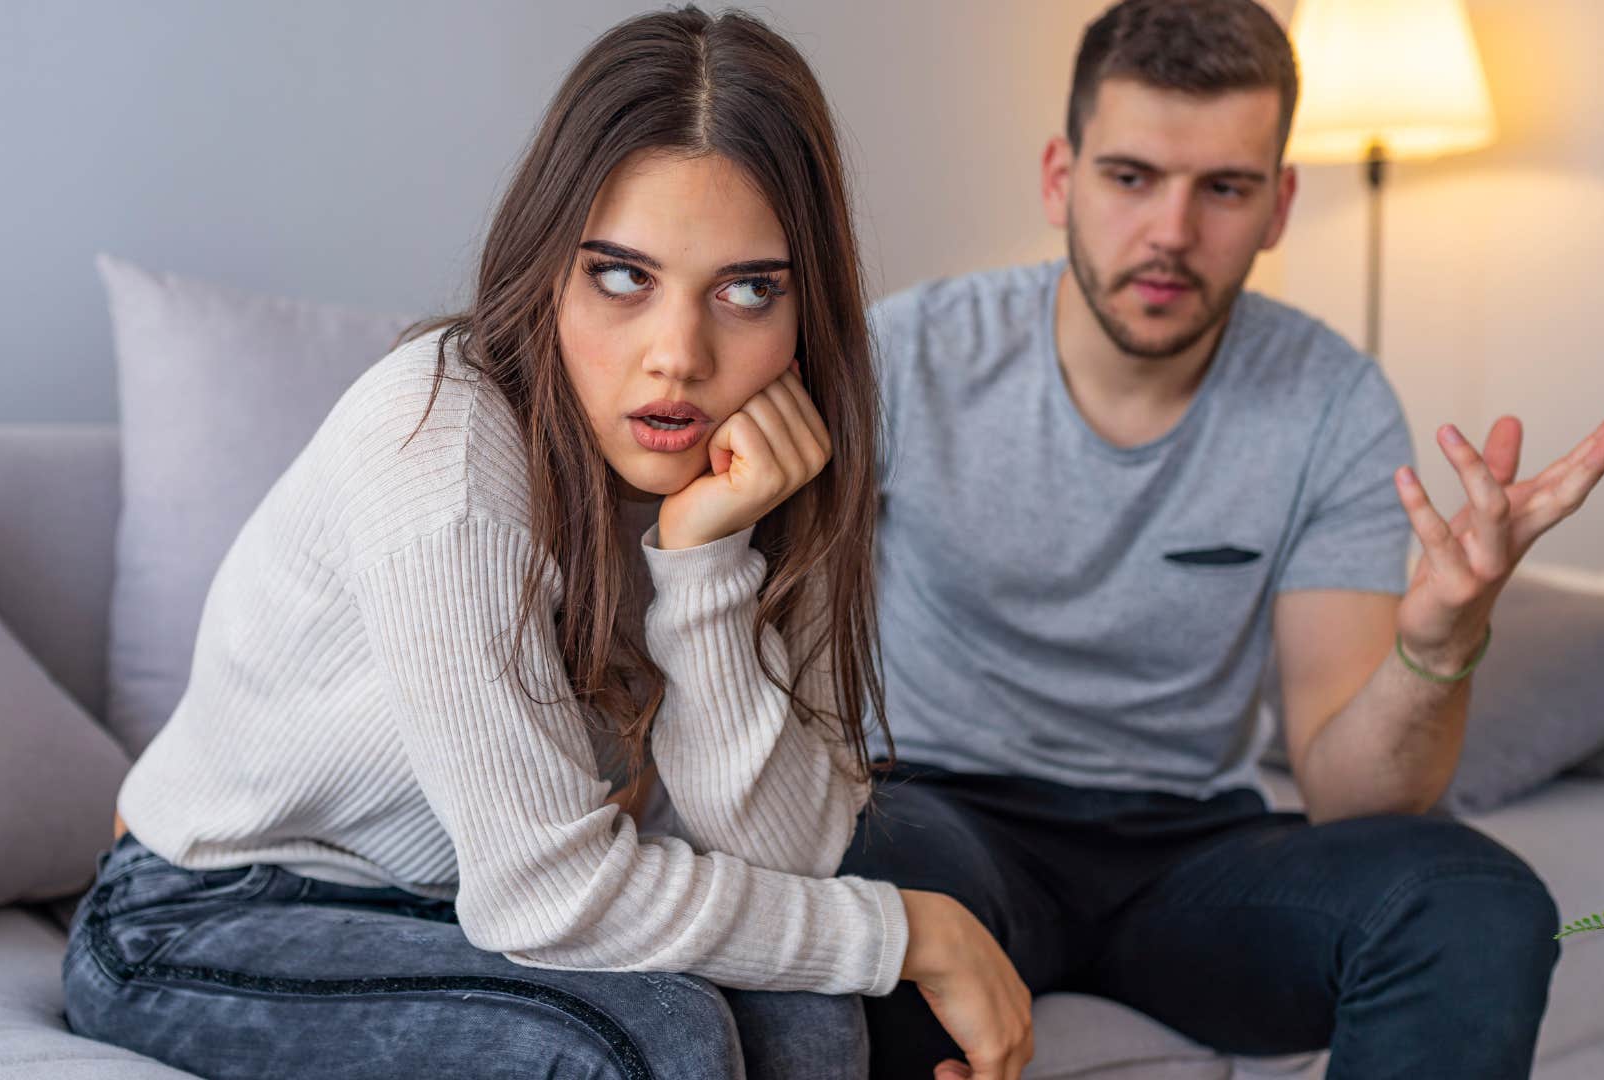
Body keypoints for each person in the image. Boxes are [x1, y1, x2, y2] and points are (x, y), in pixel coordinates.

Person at [62, 8, 1028, 1078]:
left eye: (749, 289)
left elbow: (786, 857)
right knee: (652, 1041)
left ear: (807, 312)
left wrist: (706, 562)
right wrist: (907, 930)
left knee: (810, 1023)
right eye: (623, 275)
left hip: (448, 911)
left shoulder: (767, 468)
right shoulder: (442, 444)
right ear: (549, 267)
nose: (679, 356)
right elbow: (547, 894)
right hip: (202, 915)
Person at [841, 2, 1604, 1078]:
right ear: (1057, 178)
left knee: (1474, 900)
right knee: (864, 885)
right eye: (1130, 177)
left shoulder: (1331, 400)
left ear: (1278, 204)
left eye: (1223, 188)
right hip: (944, 809)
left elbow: (1358, 801)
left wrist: (1443, 642)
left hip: (1188, 850)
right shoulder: (906, 356)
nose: (1172, 231)